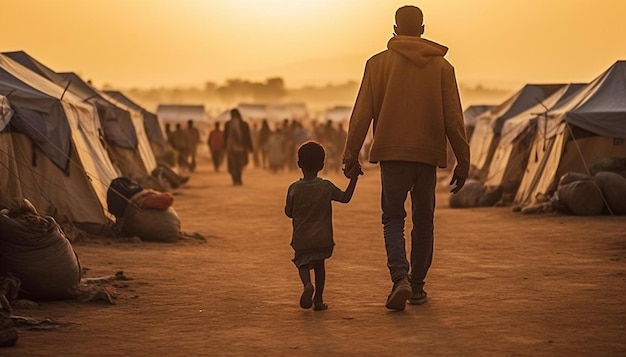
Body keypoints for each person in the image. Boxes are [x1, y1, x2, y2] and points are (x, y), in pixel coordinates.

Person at [342, 5, 470, 311]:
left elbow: (361, 115)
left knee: (393, 219)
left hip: (391, 154)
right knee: (423, 221)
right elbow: (454, 119)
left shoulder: (377, 64)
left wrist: (350, 154)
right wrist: (463, 160)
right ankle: (416, 287)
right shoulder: (442, 68)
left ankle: (399, 277)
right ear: (422, 29)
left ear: (395, 29)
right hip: (427, 156)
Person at [285, 141, 360, 311]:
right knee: (320, 266)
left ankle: (306, 285)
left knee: (302, 263)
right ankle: (318, 300)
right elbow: (345, 198)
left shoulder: (294, 189)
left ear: (298, 164)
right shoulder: (326, 187)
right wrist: (354, 178)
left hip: (302, 238)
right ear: (322, 165)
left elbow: (289, 212)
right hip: (322, 237)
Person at [223, 108, 253, 185]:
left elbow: (225, 137)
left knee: (233, 164)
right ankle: (238, 179)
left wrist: (224, 147)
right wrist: (250, 147)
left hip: (231, 148)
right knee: (239, 164)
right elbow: (247, 137)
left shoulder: (228, 124)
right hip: (241, 148)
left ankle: (235, 179)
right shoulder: (244, 124)